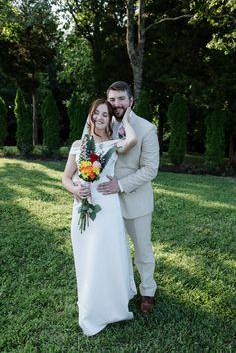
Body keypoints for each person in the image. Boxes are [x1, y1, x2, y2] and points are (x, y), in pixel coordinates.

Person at [62, 98, 138, 336]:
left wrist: (125, 117)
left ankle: (113, 304)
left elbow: (133, 139)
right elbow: (65, 177)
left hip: (108, 206)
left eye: (105, 114)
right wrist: (75, 190)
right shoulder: (79, 144)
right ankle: (92, 305)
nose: (100, 118)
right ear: (91, 116)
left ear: (110, 119)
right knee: (88, 256)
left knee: (109, 254)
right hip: (84, 204)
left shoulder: (115, 144)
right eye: (97, 113)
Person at [96, 81, 159, 314]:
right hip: (106, 203)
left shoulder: (146, 128)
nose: (116, 104)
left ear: (131, 100)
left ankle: (148, 292)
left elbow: (150, 169)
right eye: (112, 99)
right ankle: (118, 289)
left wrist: (120, 185)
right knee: (112, 250)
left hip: (135, 201)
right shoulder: (101, 125)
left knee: (142, 250)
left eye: (121, 99)